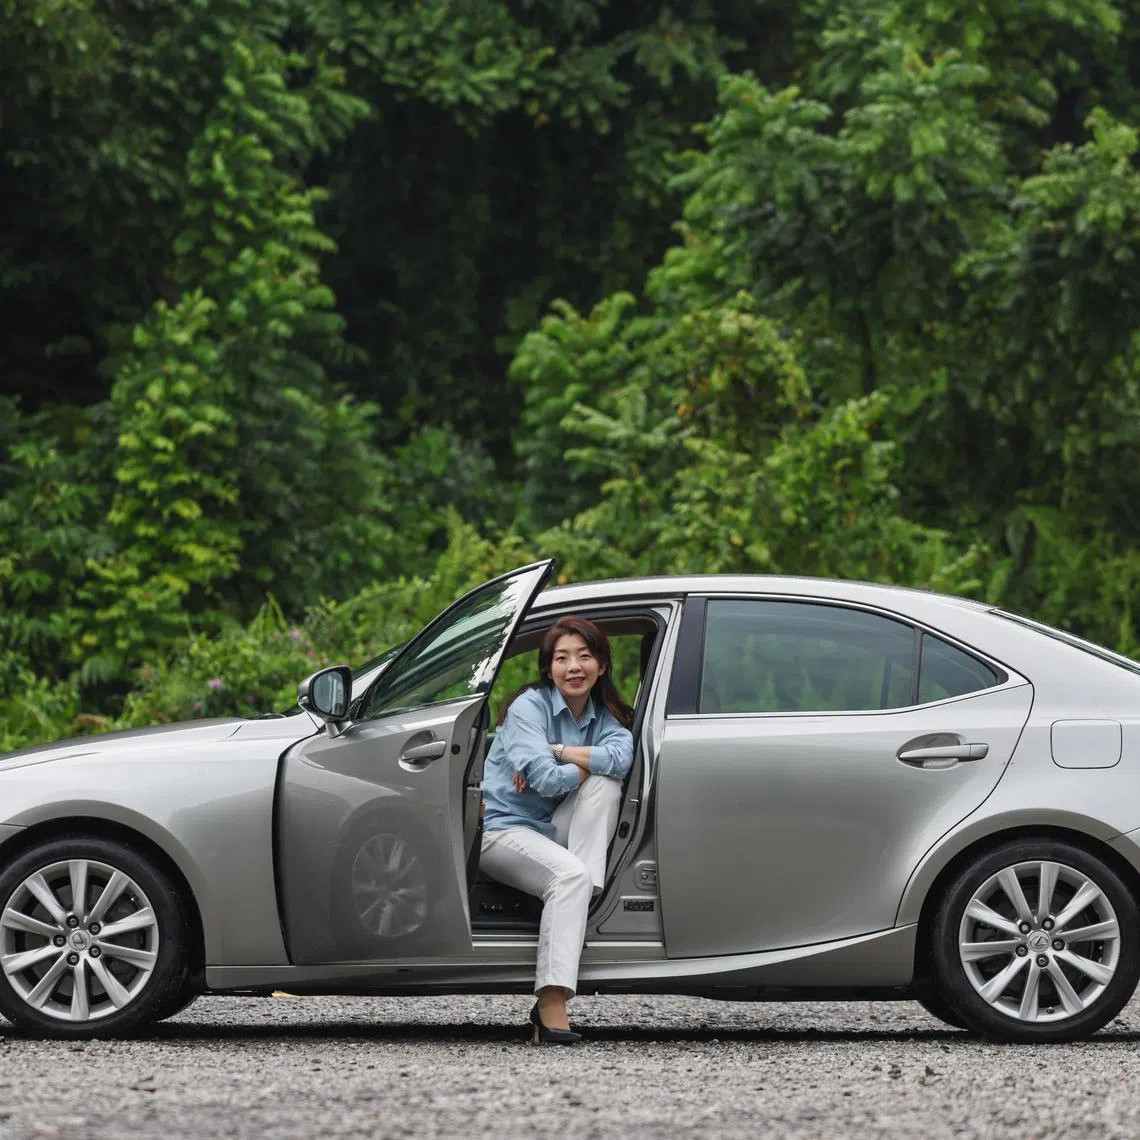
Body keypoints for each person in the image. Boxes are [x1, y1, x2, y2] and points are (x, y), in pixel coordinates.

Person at [479, 615, 634, 1045]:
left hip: (551, 829)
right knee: (570, 875)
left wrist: (560, 751)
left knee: (605, 784)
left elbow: (623, 757)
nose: (574, 667)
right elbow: (546, 782)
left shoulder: (603, 717)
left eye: (585, 656)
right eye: (562, 658)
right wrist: (584, 763)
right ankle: (550, 1003)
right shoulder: (529, 707)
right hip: (504, 830)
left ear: (602, 665)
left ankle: (578, 901)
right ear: (548, 669)